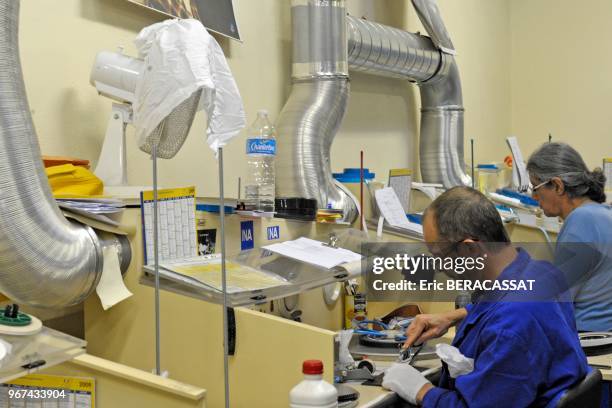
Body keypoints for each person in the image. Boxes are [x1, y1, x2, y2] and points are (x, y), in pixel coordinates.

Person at [383, 187, 589, 407]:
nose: (440, 267)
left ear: (469, 249)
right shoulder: (542, 272)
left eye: (439, 256)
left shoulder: (509, 327)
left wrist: (421, 390)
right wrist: (456, 315)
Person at [527, 142, 612, 332]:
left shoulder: (580, 222)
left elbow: (554, 302)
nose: (533, 196)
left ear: (557, 185)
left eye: (535, 187)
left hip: (590, 338)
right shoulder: (603, 213)